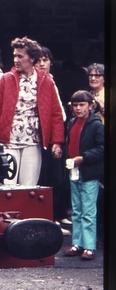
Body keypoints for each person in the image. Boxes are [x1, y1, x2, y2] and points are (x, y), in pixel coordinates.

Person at [0, 37, 65, 186]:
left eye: (20, 56)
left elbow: (56, 114)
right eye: (14, 55)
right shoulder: (6, 79)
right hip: (8, 142)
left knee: (29, 186)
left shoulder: (46, 82)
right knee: (7, 185)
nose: (16, 59)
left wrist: (57, 142)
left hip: (32, 142)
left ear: (32, 58)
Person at [61, 90, 104, 260]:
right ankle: (77, 243)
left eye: (82, 105)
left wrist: (83, 158)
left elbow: (102, 147)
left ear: (90, 106)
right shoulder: (72, 123)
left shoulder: (96, 125)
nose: (78, 108)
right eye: (75, 105)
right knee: (77, 210)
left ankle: (89, 245)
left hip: (88, 172)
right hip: (74, 170)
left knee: (88, 210)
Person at [37, 46, 67, 222]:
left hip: (56, 133)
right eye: (39, 60)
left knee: (58, 177)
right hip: (42, 137)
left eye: (45, 60)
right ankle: (48, 219)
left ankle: (58, 215)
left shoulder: (53, 81)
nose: (42, 64)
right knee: (45, 178)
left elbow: (59, 113)